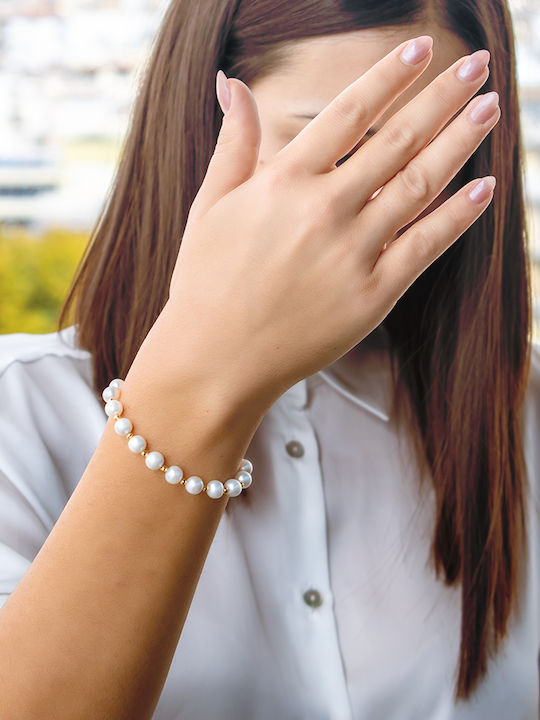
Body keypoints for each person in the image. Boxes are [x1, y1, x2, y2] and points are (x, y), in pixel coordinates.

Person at [0, 0, 535, 717]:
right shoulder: (22, 415)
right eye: (337, 145)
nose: (383, 196)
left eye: (423, 152)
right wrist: (206, 370)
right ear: (208, 116)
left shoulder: (521, 418)